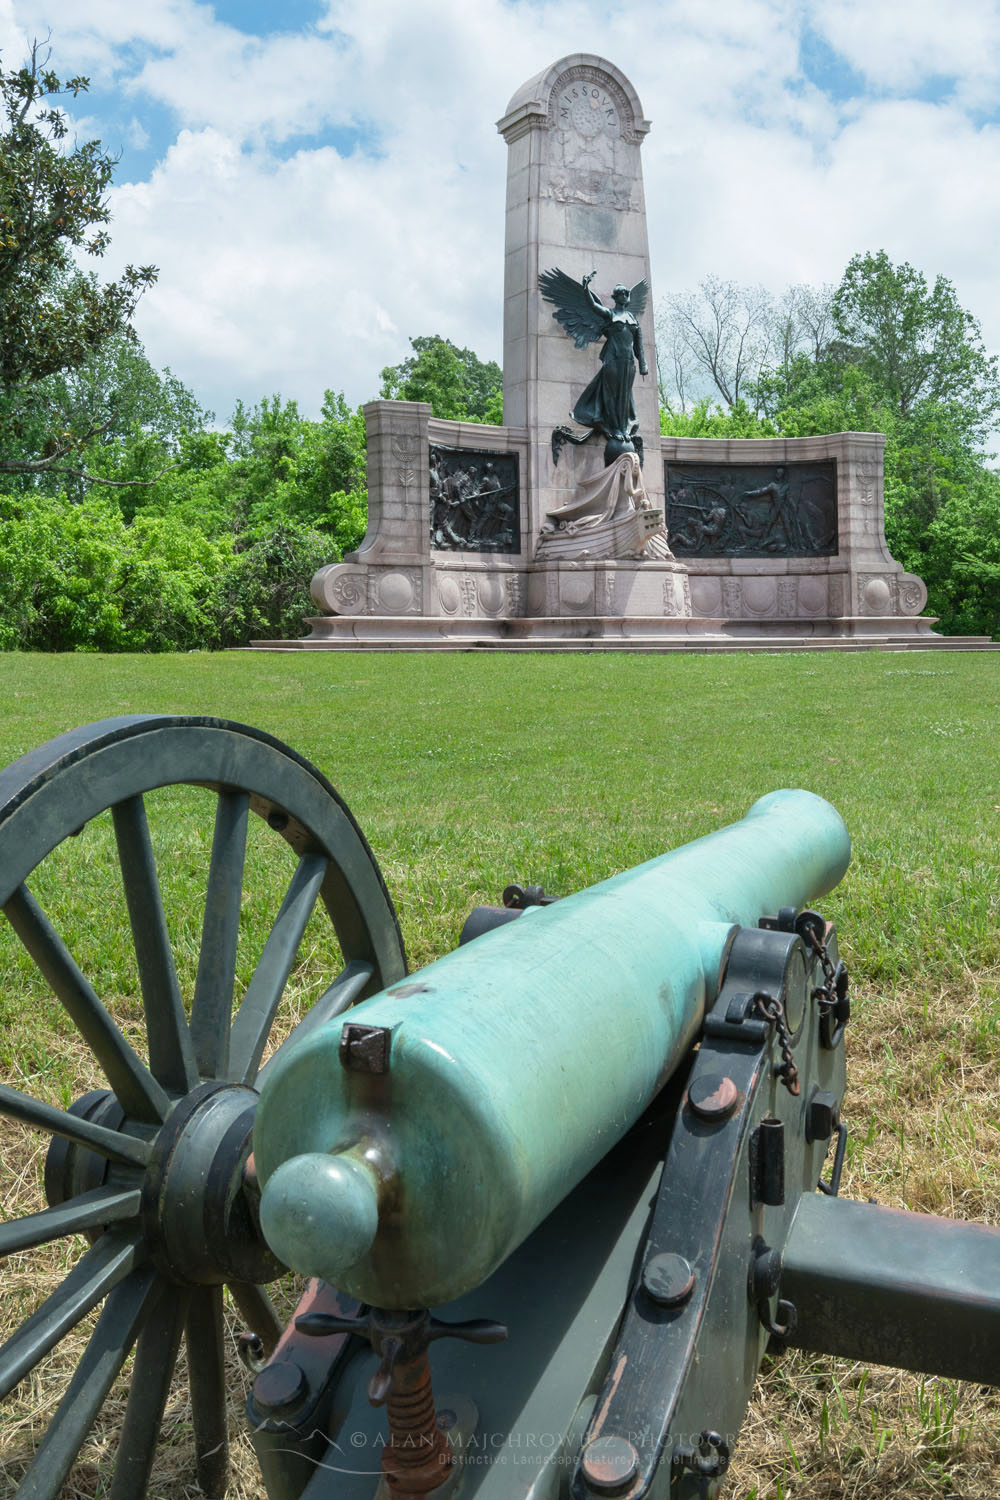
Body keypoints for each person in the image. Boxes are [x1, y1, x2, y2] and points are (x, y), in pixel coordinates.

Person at [570, 277, 648, 460]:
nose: (626, 296)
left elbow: (639, 344)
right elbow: (594, 307)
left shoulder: (632, 318)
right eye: (623, 293)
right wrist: (585, 289)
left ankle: (623, 427)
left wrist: (643, 363)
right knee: (611, 396)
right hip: (612, 359)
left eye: (627, 293)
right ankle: (615, 429)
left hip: (628, 362)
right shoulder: (610, 314)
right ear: (617, 297)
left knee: (625, 396)